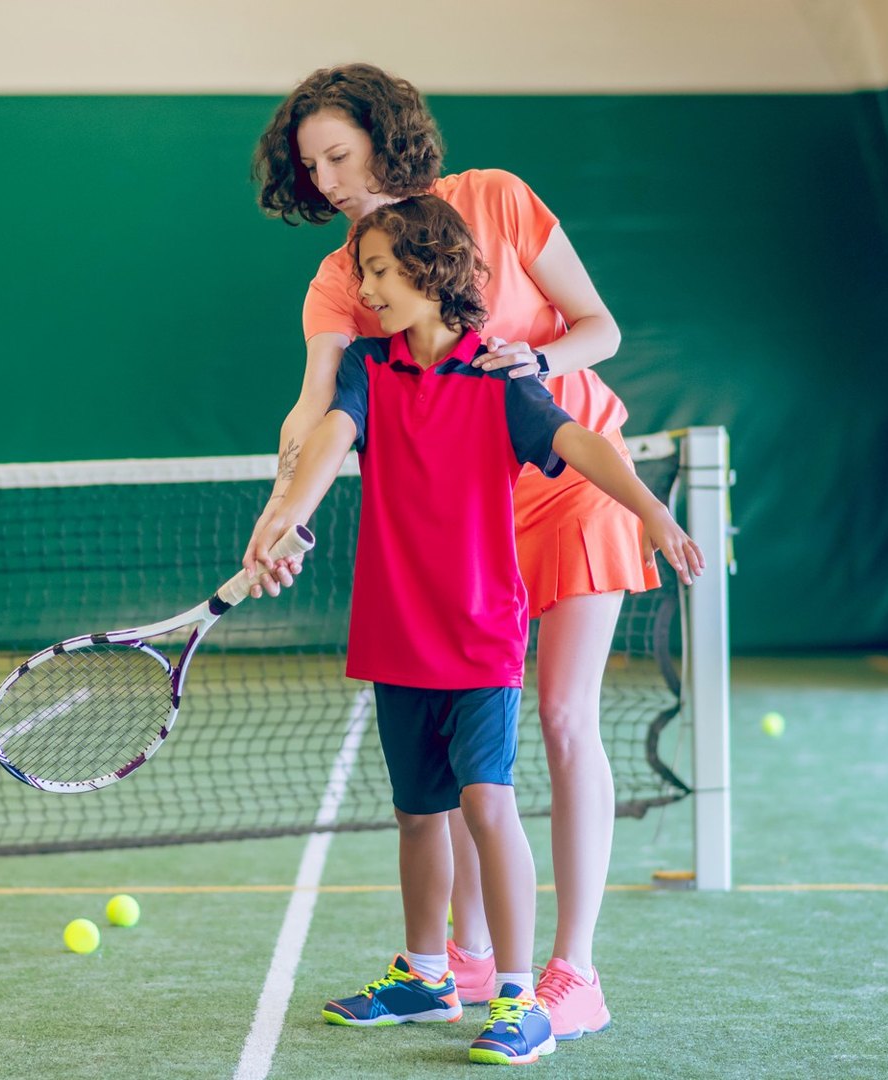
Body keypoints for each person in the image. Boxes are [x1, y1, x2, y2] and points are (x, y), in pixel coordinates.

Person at [246, 62, 662, 1037]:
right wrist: (282, 508)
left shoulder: (500, 201)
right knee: (477, 754)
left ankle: (574, 974)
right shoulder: (343, 280)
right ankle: (464, 965)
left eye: (339, 154)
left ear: (388, 138)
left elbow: (599, 327)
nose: (328, 180)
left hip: (569, 486)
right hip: (465, 526)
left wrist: (536, 363)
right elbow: (316, 408)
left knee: (562, 714)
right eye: (309, 167)